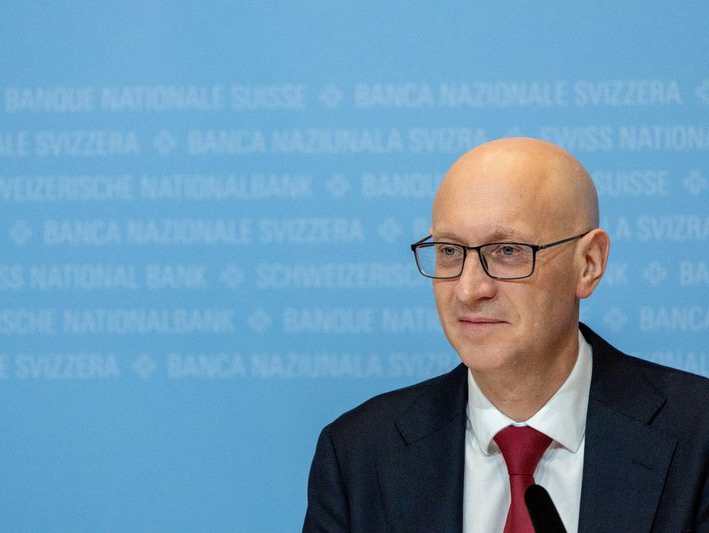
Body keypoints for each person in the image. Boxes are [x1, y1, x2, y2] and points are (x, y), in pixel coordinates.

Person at [303, 138, 709, 532]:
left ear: (588, 263)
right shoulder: (359, 455)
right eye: (449, 251)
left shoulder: (697, 436)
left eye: (508, 251)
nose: (469, 289)